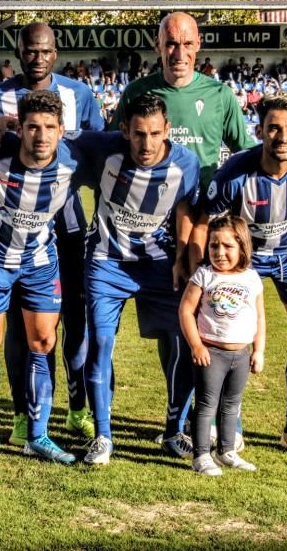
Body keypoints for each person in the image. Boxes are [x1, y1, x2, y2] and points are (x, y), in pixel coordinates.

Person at [114, 12, 255, 457]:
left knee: (221, 321)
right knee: (177, 332)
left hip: (210, 233)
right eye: (170, 44)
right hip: (155, 232)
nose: (179, 52)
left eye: (187, 44)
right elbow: (114, 151)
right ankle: (180, 419)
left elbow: (245, 154)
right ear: (159, 46)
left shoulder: (218, 95)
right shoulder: (139, 93)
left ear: (198, 47)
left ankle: (217, 418)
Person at [0, 22, 104, 446]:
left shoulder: (79, 94)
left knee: (73, 322)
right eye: (30, 50)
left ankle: (76, 408)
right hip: (7, 227)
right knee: (17, 329)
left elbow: (95, 149)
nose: (37, 57)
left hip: (66, 222)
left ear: (55, 52)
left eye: (45, 51)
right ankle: (25, 414)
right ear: (18, 51)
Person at [199, 92, 287, 460]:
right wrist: (200, 264)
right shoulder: (234, 174)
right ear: (259, 131)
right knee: (232, 336)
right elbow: (203, 218)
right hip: (245, 261)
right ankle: (233, 428)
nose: (283, 137)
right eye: (274, 129)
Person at [73, 93, 200, 465]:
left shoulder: (186, 164)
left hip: (160, 267)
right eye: (139, 134)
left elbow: (186, 209)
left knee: (183, 343)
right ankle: (102, 436)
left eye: (155, 133)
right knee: (100, 343)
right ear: (124, 130)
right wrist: (5, 124)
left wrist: (181, 256)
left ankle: (174, 429)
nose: (147, 143)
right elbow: (53, 134)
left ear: (167, 131)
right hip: (105, 262)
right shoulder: (103, 147)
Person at [0, 90, 82, 468]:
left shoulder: (78, 156)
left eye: (48, 128)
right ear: (20, 129)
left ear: (62, 130)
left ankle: (37, 434)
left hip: (41, 260)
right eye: (31, 127)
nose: (40, 136)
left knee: (43, 340)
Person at [179, 215, 266, 476]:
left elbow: (260, 316)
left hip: (240, 355)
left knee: (232, 404)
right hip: (211, 354)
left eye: (228, 246)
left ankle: (227, 451)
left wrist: (258, 350)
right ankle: (201, 455)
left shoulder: (251, 278)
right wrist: (196, 345)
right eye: (214, 245)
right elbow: (185, 311)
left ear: (242, 246)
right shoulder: (204, 275)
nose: (220, 252)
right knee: (206, 405)